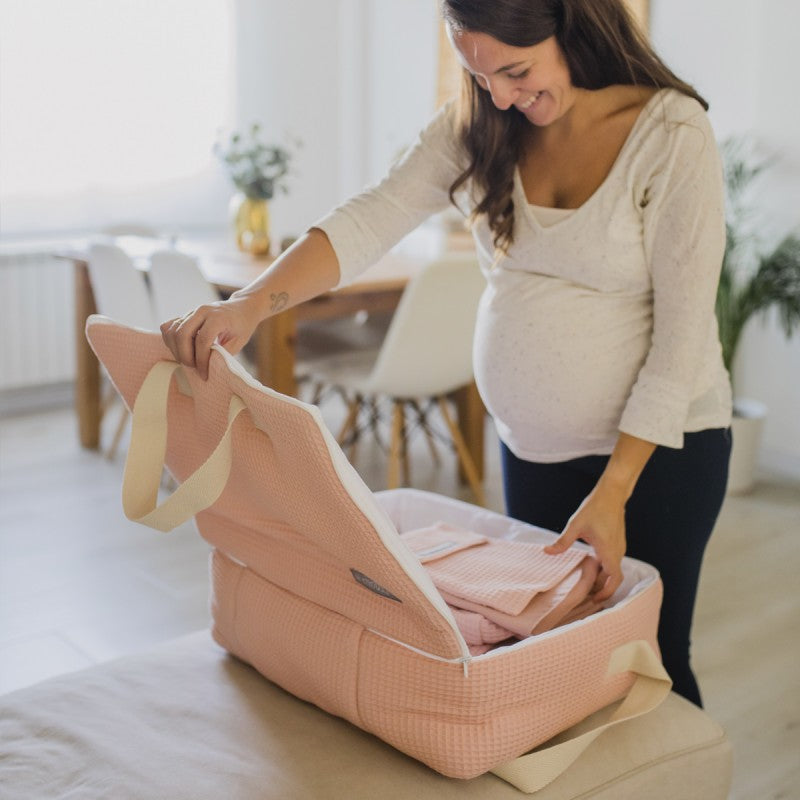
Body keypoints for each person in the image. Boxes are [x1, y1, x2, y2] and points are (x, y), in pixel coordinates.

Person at [161, 0, 732, 706]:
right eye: (480, 74)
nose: (499, 95)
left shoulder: (670, 133)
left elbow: (681, 341)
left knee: (649, 655)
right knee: (545, 655)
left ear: (569, 25)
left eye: (516, 70)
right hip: (534, 451)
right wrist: (252, 302)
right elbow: (373, 216)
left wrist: (613, 492)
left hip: (658, 459)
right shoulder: (483, 123)